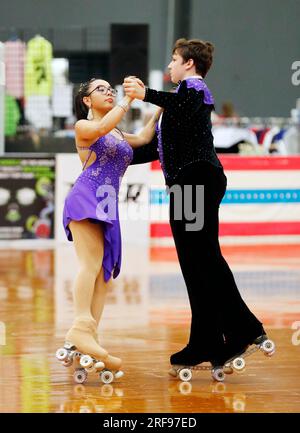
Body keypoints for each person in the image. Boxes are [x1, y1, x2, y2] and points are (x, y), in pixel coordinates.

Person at [123, 39, 272, 371]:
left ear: (189, 64)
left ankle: (245, 328)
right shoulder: (180, 102)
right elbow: (157, 150)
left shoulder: (194, 91)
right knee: (197, 265)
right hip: (188, 185)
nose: (169, 67)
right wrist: (110, 156)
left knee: (203, 261)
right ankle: (206, 339)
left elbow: (183, 103)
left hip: (194, 183)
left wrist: (145, 93)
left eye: (174, 60)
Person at [60, 77, 160, 375]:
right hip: (86, 196)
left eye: (110, 89)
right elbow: (100, 129)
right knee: (89, 266)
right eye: (101, 89)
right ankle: (80, 326)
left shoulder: (117, 130)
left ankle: (89, 337)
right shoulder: (83, 126)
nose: (109, 92)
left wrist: (161, 107)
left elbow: (143, 138)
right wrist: (128, 100)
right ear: (87, 101)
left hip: (107, 203)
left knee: (104, 275)